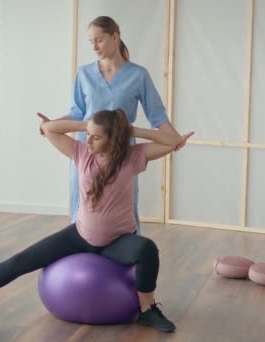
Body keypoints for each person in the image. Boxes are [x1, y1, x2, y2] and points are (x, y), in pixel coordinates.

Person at [0, 109, 194, 333]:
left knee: (147, 249)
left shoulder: (133, 157)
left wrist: (130, 130)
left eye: (96, 137)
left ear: (114, 138)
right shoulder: (81, 154)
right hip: (80, 235)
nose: (88, 141)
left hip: (118, 241)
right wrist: (89, 124)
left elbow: (171, 141)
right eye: (87, 135)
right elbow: (51, 129)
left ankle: (147, 309)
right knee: (19, 261)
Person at [37, 16, 184, 234]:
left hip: (121, 152)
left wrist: (174, 140)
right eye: (91, 42)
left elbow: (157, 116)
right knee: (82, 204)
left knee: (123, 203)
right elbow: (77, 113)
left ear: (115, 37)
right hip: (87, 150)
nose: (94, 47)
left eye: (99, 40)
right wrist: (52, 125)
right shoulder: (84, 73)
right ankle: (78, 251)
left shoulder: (138, 75)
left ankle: (127, 250)